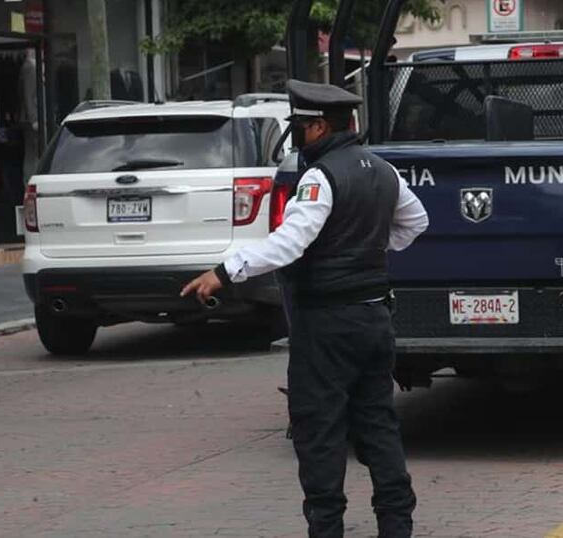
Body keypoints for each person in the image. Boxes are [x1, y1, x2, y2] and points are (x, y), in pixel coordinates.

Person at [182, 80, 429, 538]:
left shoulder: (321, 177)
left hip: (327, 323)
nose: (298, 138)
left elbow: (289, 244)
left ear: (319, 127)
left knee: (320, 430)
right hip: (375, 318)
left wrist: (225, 270)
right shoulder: (382, 169)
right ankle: (396, 526)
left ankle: (327, 527)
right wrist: (372, 249)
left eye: (300, 128)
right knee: (378, 423)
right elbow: (417, 221)